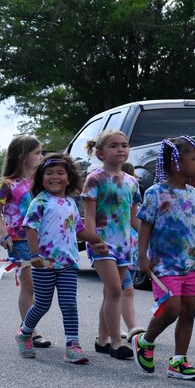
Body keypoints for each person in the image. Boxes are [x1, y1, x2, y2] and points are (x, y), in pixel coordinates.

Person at [131, 136, 195, 381]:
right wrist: (142, 255)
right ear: (176, 163)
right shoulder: (156, 193)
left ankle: (179, 361)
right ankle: (145, 341)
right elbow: (145, 226)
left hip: (191, 262)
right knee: (171, 308)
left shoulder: (192, 193)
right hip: (164, 263)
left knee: (189, 310)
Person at [16, 153, 108, 363]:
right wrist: (34, 254)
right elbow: (30, 228)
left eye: (60, 173)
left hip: (67, 263)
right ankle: (24, 333)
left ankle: (72, 346)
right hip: (45, 263)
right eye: (49, 173)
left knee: (69, 305)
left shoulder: (70, 203)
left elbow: (79, 230)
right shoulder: (40, 201)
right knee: (42, 304)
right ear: (41, 178)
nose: (54, 177)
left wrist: (96, 241)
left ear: (69, 178)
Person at [81, 130, 141, 359]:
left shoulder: (132, 182)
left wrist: (147, 238)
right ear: (100, 153)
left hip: (124, 244)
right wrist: (94, 240)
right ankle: (117, 342)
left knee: (110, 293)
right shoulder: (95, 179)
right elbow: (90, 215)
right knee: (116, 289)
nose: (121, 149)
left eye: (124, 145)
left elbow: (134, 218)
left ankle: (102, 339)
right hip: (102, 243)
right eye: (114, 146)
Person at [0, 134, 51, 349]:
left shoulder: (41, 182)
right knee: (29, 285)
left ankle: (27, 326)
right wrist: (3, 234)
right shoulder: (8, 184)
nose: (41, 156)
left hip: (42, 239)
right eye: (37, 152)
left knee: (41, 287)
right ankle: (30, 330)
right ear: (23, 156)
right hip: (19, 239)